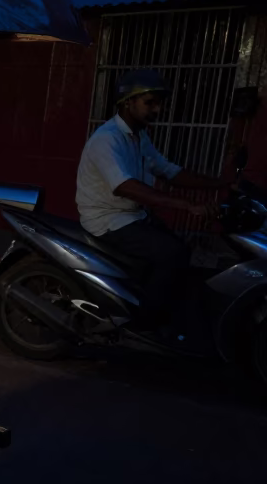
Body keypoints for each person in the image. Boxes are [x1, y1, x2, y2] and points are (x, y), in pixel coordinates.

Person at [76, 69, 225, 328]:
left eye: (159, 104)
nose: (157, 109)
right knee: (172, 254)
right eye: (150, 103)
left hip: (133, 215)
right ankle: (143, 325)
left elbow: (168, 171)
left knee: (182, 249)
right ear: (127, 102)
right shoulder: (106, 139)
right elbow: (125, 186)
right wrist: (186, 205)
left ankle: (164, 312)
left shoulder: (139, 136)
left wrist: (219, 184)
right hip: (108, 219)